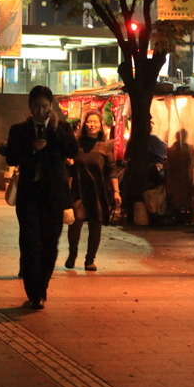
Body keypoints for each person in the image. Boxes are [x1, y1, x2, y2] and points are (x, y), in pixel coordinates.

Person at [4, 86, 78, 310]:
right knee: (29, 243)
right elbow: (10, 157)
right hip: (29, 195)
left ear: (51, 107)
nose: (40, 110)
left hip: (53, 196)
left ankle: (42, 286)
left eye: (45, 106)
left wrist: (55, 130)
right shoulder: (19, 130)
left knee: (50, 243)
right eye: (36, 106)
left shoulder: (61, 127)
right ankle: (34, 292)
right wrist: (31, 148)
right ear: (30, 106)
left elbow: (72, 151)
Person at [66, 110, 120, 272]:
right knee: (76, 222)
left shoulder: (105, 147)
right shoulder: (76, 145)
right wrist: (68, 163)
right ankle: (72, 252)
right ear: (84, 125)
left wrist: (116, 192)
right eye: (89, 122)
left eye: (95, 122)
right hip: (78, 190)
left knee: (96, 225)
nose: (92, 125)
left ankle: (90, 259)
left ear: (100, 125)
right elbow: (67, 168)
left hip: (97, 191)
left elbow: (112, 171)